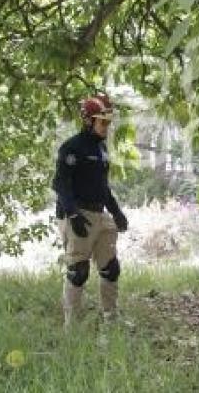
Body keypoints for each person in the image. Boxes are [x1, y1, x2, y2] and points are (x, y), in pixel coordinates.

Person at [52, 94, 128, 326]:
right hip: (77, 214)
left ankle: (111, 318)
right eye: (102, 121)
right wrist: (73, 214)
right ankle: (71, 326)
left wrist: (116, 212)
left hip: (100, 214)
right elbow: (59, 184)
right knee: (78, 271)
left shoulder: (101, 148)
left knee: (110, 268)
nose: (107, 126)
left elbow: (102, 187)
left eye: (108, 122)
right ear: (88, 121)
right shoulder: (71, 148)